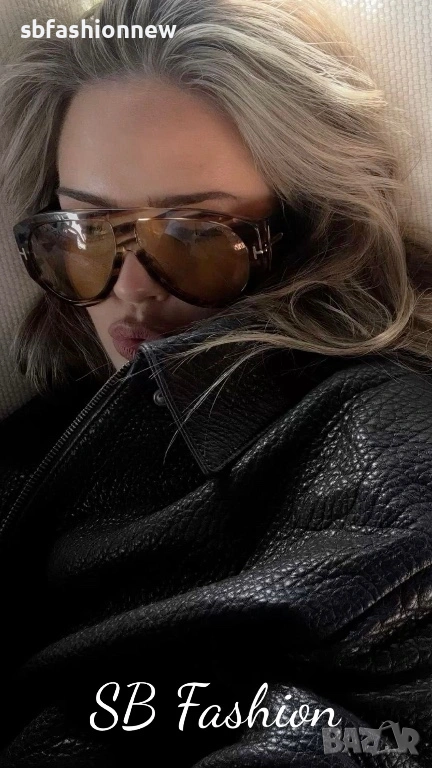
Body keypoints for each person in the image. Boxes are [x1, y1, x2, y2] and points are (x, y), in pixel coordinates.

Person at [0, 0, 432, 764]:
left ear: (308, 227)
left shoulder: (376, 457)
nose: (128, 290)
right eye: (83, 230)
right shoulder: (53, 423)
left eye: (194, 234)